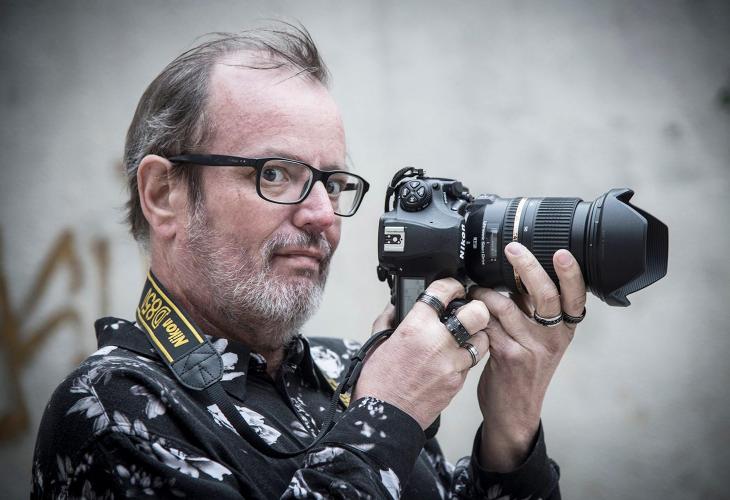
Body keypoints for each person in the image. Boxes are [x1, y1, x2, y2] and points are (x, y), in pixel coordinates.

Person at [32, 24, 586, 499]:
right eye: (274, 173)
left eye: (333, 182)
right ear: (163, 194)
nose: (323, 215)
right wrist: (386, 417)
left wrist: (511, 436)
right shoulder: (110, 410)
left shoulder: (353, 370)